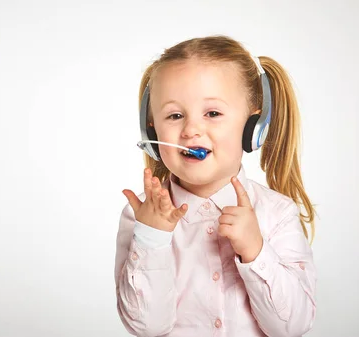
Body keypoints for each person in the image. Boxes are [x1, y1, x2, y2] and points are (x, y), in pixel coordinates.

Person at [115, 35, 317, 337]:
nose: (191, 130)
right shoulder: (141, 216)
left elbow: (291, 327)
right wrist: (151, 239)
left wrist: (256, 251)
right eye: (174, 115)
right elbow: (146, 326)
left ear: (254, 128)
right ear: (151, 129)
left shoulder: (277, 213)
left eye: (213, 113)